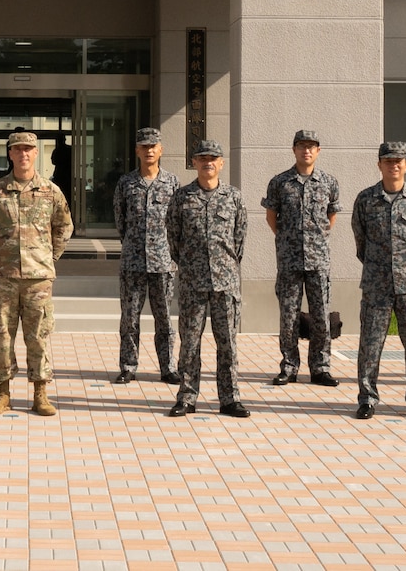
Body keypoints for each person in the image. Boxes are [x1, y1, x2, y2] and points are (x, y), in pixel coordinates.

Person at [0, 130, 73, 416]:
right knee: (1, 336)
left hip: (38, 279)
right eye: (18, 149)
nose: (24, 154)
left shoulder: (50, 191)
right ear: (10, 154)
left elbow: (64, 227)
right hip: (4, 277)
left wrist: (49, 256)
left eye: (29, 149)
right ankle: (2, 393)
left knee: (38, 336)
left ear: (36, 153)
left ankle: (40, 393)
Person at [166, 140, 248, 419]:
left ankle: (230, 398)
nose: (208, 162)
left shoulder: (234, 197)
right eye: (202, 158)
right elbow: (173, 238)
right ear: (195, 163)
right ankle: (187, 397)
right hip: (193, 282)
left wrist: (226, 267)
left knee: (228, 343)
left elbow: (239, 240)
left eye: (213, 158)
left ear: (221, 163)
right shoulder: (182, 197)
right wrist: (190, 265)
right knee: (190, 342)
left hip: (226, 283)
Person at [350, 142, 406, 420]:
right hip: (377, 284)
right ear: (379, 165)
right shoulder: (365, 199)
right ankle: (367, 398)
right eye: (388, 161)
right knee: (370, 344)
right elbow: (360, 240)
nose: (394, 165)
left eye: (399, 161)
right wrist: (378, 265)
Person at [264, 129, 341, 386]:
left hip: (318, 261)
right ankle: (289, 366)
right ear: (294, 150)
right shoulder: (280, 182)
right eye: (301, 146)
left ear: (318, 151)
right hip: (289, 261)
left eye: (311, 146)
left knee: (321, 316)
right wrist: (287, 239)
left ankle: (320, 367)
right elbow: (271, 217)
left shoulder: (329, 182)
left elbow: (331, 217)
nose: (306, 151)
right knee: (288, 316)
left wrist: (316, 239)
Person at [113, 126, 179, 385]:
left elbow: (177, 222)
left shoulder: (172, 183)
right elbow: (121, 220)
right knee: (129, 318)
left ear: (160, 150)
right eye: (144, 146)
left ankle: (168, 368)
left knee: (164, 319)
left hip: (163, 263)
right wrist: (132, 245)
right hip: (133, 262)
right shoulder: (126, 183)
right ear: (137, 151)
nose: (149, 150)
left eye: (153, 146)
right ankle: (128, 366)